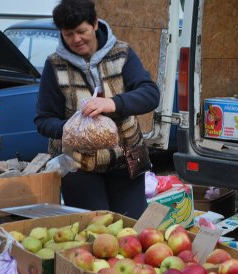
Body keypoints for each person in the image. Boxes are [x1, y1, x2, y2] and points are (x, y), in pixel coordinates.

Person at [34, 0, 160, 219]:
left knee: (132, 228)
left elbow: (150, 94)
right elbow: (43, 120)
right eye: (68, 34)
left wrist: (113, 103)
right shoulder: (55, 65)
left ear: (94, 24)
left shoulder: (122, 54)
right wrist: (72, 129)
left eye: (81, 31)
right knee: (95, 230)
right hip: (78, 167)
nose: (76, 39)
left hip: (126, 162)